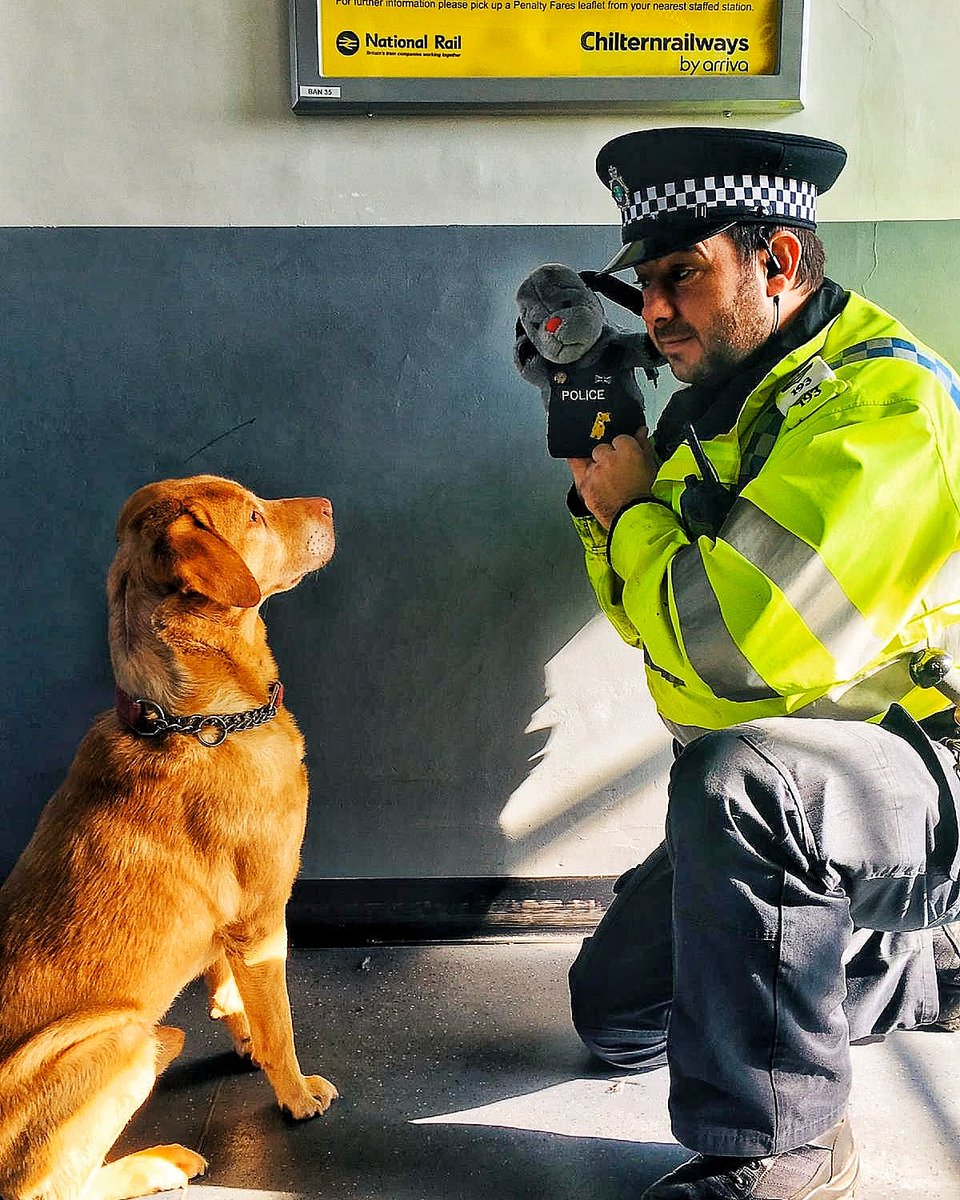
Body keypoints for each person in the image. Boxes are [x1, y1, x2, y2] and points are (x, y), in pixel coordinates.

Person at [563, 126, 960, 1199]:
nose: (653, 316)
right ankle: (908, 966)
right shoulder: (720, 412)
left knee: (742, 783)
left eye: (681, 277)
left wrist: (636, 511)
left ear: (778, 262)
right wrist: (608, 505)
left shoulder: (883, 415)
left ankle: (784, 1149)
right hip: (815, 787)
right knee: (612, 1017)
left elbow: (729, 651)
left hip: (925, 779)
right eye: (645, 286)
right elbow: (652, 622)